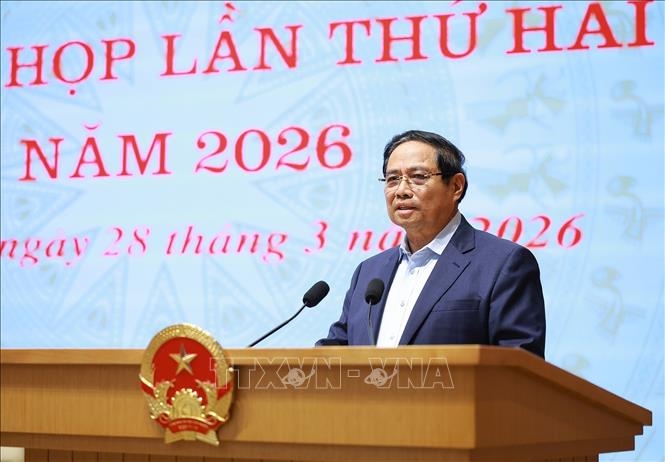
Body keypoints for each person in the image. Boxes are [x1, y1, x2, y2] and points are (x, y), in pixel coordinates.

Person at [317, 129, 546, 358]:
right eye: (393, 179)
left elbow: (519, 366)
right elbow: (334, 354)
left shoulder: (503, 264)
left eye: (418, 177)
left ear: (456, 186)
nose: (401, 191)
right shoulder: (368, 273)